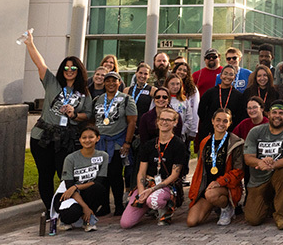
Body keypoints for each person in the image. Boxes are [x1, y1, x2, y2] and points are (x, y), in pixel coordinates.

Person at [24, 32, 91, 211]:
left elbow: (88, 115)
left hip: (65, 140)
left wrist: (75, 114)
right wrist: (30, 43)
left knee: (65, 174)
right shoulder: (52, 84)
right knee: (45, 175)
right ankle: (50, 209)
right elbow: (40, 64)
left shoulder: (84, 93)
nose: (69, 71)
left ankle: (65, 207)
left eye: (73, 68)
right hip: (43, 137)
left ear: (79, 71)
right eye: (66, 68)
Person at [121, 108, 189, 228]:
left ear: (175, 122)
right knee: (126, 223)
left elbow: (174, 175)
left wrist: (151, 191)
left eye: (168, 119)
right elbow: (141, 172)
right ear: (157, 122)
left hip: (166, 185)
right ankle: (149, 206)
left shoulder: (178, 145)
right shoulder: (149, 144)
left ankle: (164, 211)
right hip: (148, 184)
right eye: (162, 119)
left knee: (154, 200)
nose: (164, 122)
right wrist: (142, 192)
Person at [243, 102, 283, 229]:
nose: (277, 116)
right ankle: (269, 204)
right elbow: (248, 158)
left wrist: (272, 165)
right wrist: (260, 162)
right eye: (274, 112)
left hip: (278, 176)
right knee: (253, 219)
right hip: (258, 181)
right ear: (268, 114)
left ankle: (281, 215)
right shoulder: (255, 132)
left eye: (281, 113)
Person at [186, 109, 244, 227]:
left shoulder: (235, 143)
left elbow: (239, 171)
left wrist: (219, 182)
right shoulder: (205, 142)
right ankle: (214, 205)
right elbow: (199, 171)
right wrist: (194, 193)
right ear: (212, 121)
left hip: (226, 187)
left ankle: (226, 207)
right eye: (218, 120)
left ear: (230, 123)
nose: (221, 124)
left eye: (225, 121)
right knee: (191, 222)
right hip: (207, 189)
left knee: (211, 194)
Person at [92, 70, 137, 216]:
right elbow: (93, 121)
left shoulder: (126, 99)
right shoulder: (98, 99)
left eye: (114, 81)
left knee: (115, 175)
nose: (111, 83)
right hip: (100, 144)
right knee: (101, 176)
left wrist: (127, 143)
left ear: (119, 83)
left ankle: (118, 205)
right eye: (108, 81)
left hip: (117, 142)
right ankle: (104, 206)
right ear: (104, 83)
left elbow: (132, 122)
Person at [55, 125, 108, 231]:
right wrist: (85, 208)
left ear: (98, 138)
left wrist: (76, 186)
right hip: (67, 195)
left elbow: (98, 181)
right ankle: (64, 219)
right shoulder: (70, 158)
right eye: (84, 138)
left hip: (85, 191)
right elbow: (69, 187)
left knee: (99, 188)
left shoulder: (103, 156)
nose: (87, 140)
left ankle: (87, 220)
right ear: (80, 140)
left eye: (91, 137)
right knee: (73, 212)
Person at [197, 66, 248, 152]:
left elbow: (240, 116)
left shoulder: (239, 96)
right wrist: (210, 126)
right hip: (210, 132)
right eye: (225, 74)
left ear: (234, 78)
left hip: (230, 134)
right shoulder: (210, 93)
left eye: (231, 74)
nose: (227, 77)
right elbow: (201, 111)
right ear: (220, 76)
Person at [164, 74, 199, 146]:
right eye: (172, 84)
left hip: (180, 135)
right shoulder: (161, 98)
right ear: (167, 85)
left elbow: (189, 118)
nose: (175, 87)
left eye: (178, 84)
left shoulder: (184, 100)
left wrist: (182, 130)